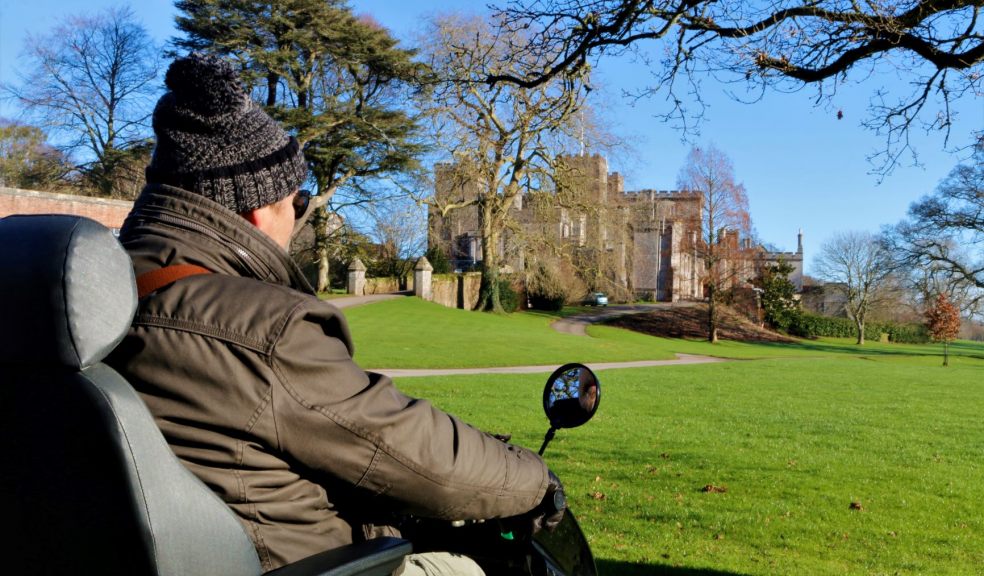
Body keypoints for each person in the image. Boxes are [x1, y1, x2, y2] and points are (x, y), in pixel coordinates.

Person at [106, 53, 563, 575]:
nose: (298, 222)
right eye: (296, 205)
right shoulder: (258, 328)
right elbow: (418, 457)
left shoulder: (104, 297)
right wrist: (534, 478)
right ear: (259, 211)